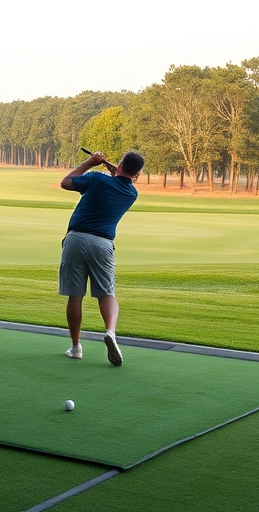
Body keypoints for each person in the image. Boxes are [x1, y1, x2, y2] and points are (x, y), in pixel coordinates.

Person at [59, 150, 144, 367]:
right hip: (103, 244)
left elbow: (66, 182)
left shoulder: (96, 178)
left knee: (75, 294)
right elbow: (120, 182)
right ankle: (110, 332)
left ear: (121, 163)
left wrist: (90, 162)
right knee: (107, 293)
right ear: (137, 173)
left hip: (76, 238)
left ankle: (76, 347)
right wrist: (117, 172)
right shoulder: (131, 194)